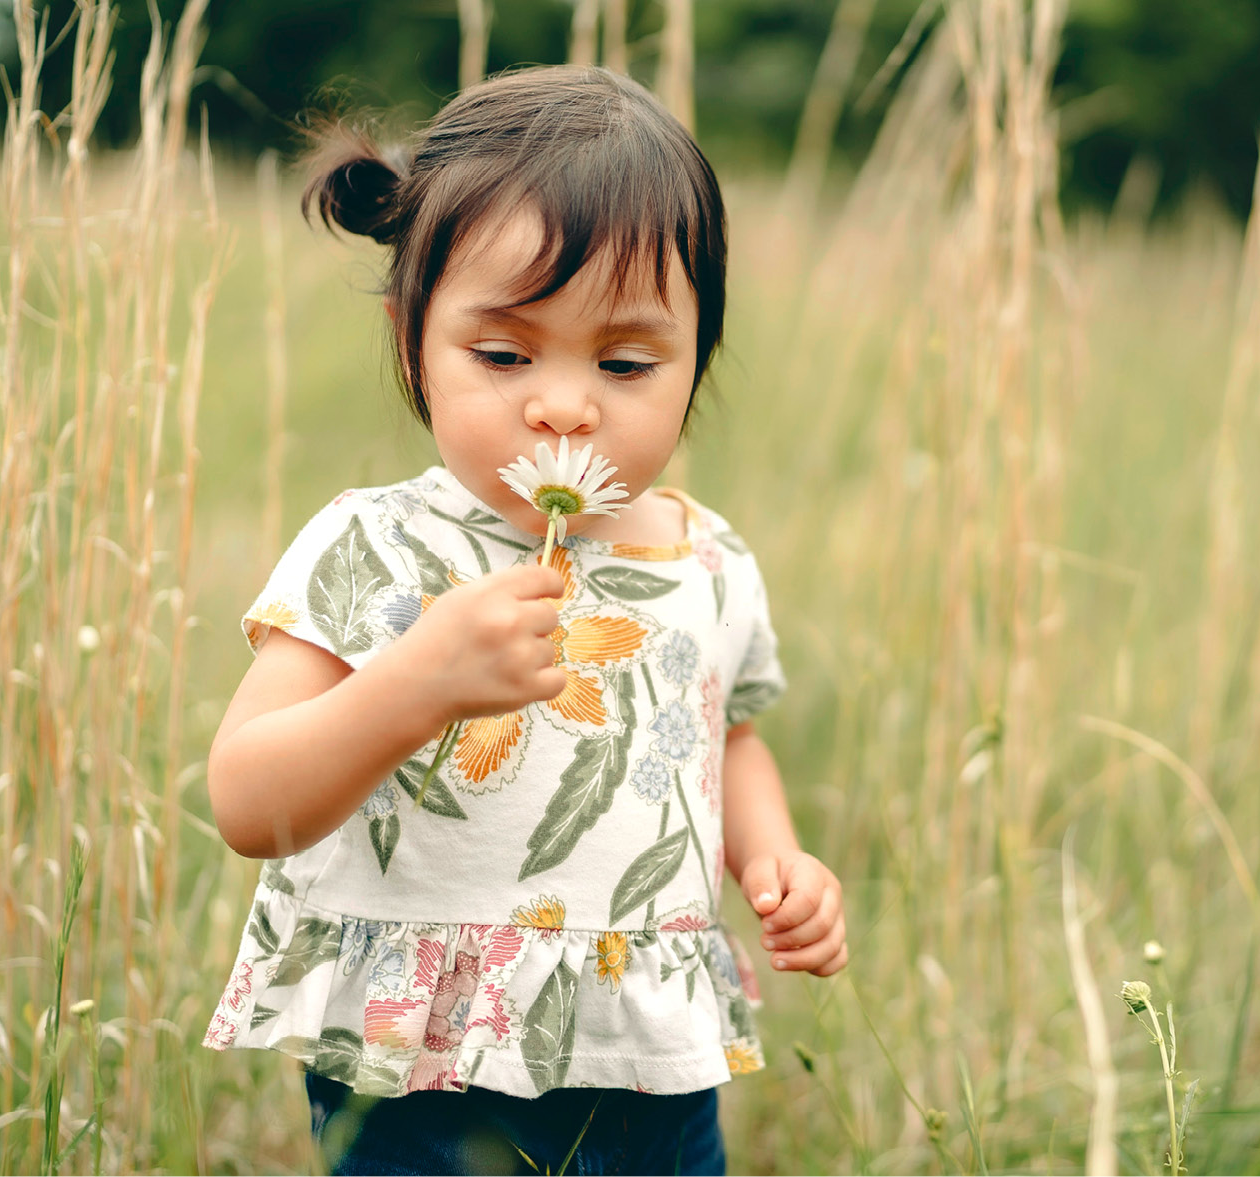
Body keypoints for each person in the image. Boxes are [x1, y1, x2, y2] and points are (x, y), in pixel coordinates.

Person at [202, 65, 847, 1176]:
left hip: (649, 1048)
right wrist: (416, 681)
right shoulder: (375, 547)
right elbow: (250, 803)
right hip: (423, 1061)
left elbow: (728, 732)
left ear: (696, 359)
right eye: (502, 355)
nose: (562, 402)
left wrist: (775, 856)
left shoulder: (706, 557)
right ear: (415, 336)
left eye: (627, 362)